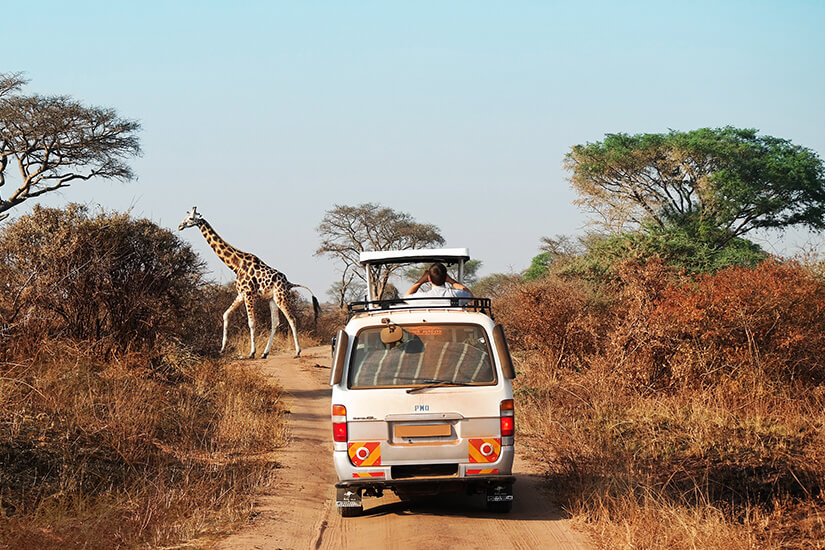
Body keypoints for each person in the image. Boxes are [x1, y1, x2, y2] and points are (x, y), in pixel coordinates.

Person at [404, 262, 472, 301]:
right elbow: (470, 295)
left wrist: (421, 280)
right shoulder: (455, 295)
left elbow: (406, 297)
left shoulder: (423, 297)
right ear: (446, 277)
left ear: (429, 278)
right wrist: (451, 281)